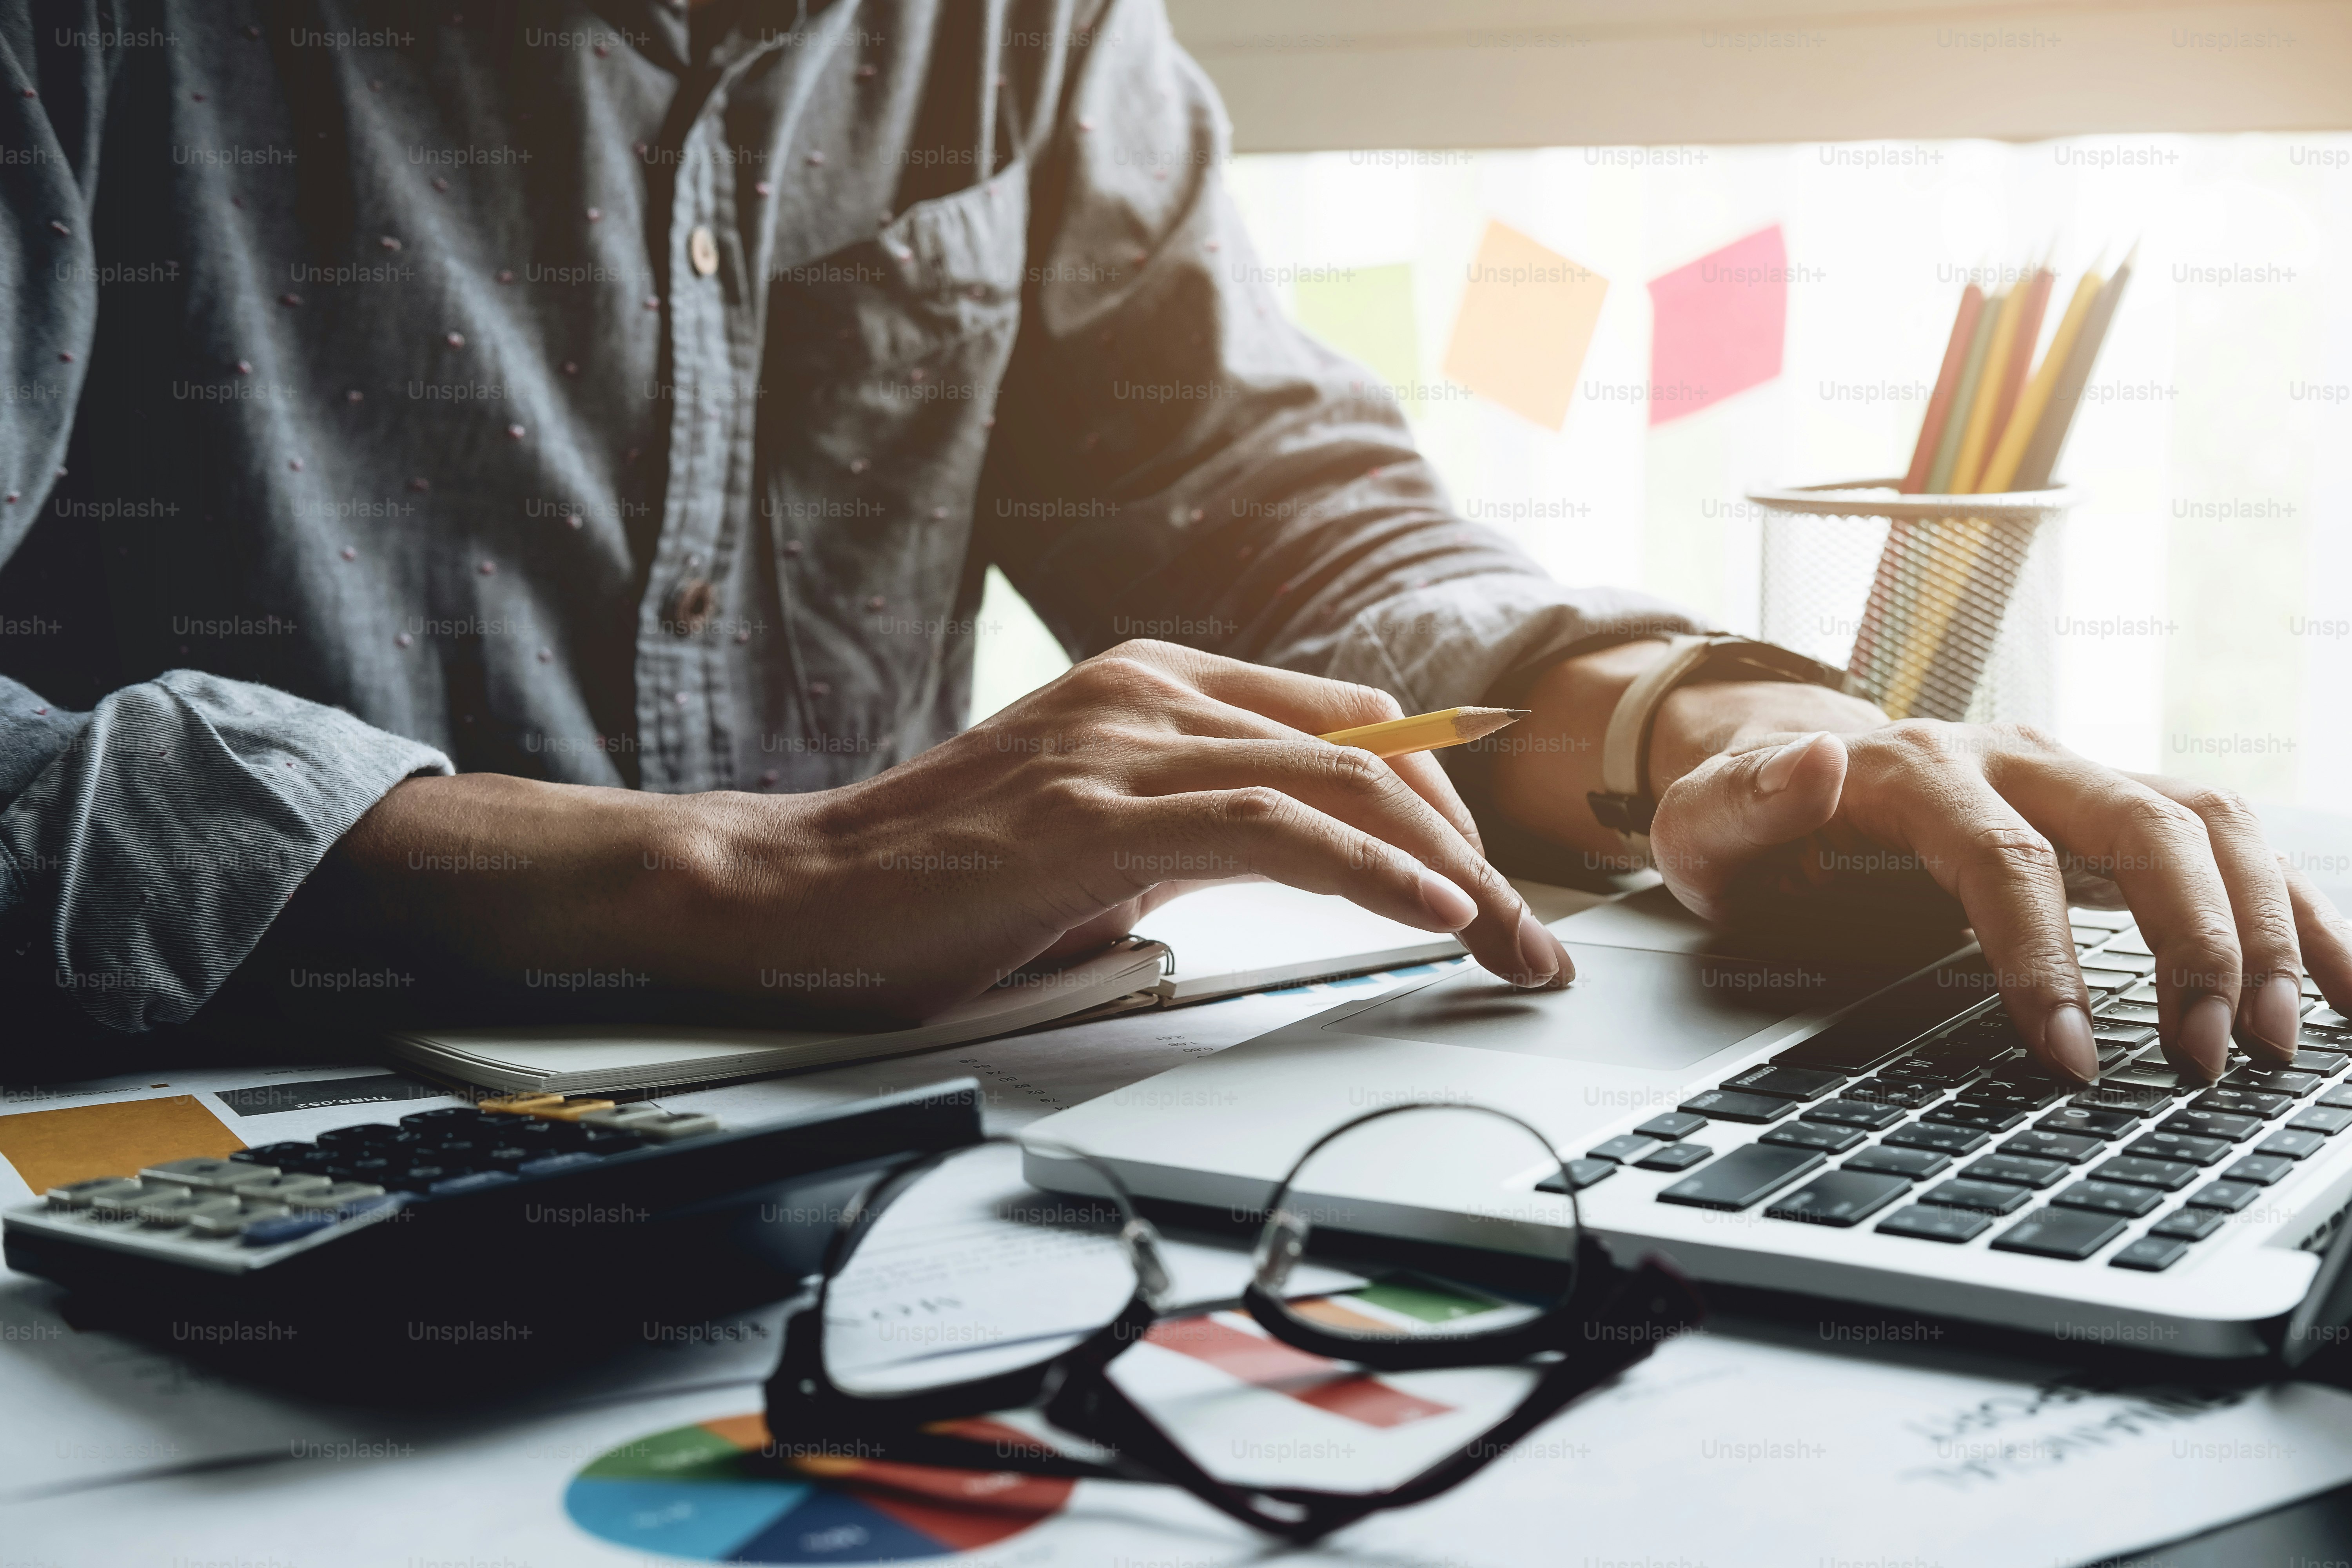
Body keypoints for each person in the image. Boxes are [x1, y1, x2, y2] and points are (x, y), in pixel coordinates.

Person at [2, 1, 2342, 1087]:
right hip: (149, 1200)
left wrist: (1710, 725)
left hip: (873, 1185)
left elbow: (1274, 511)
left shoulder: (1027, 38)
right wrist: (726, 881)